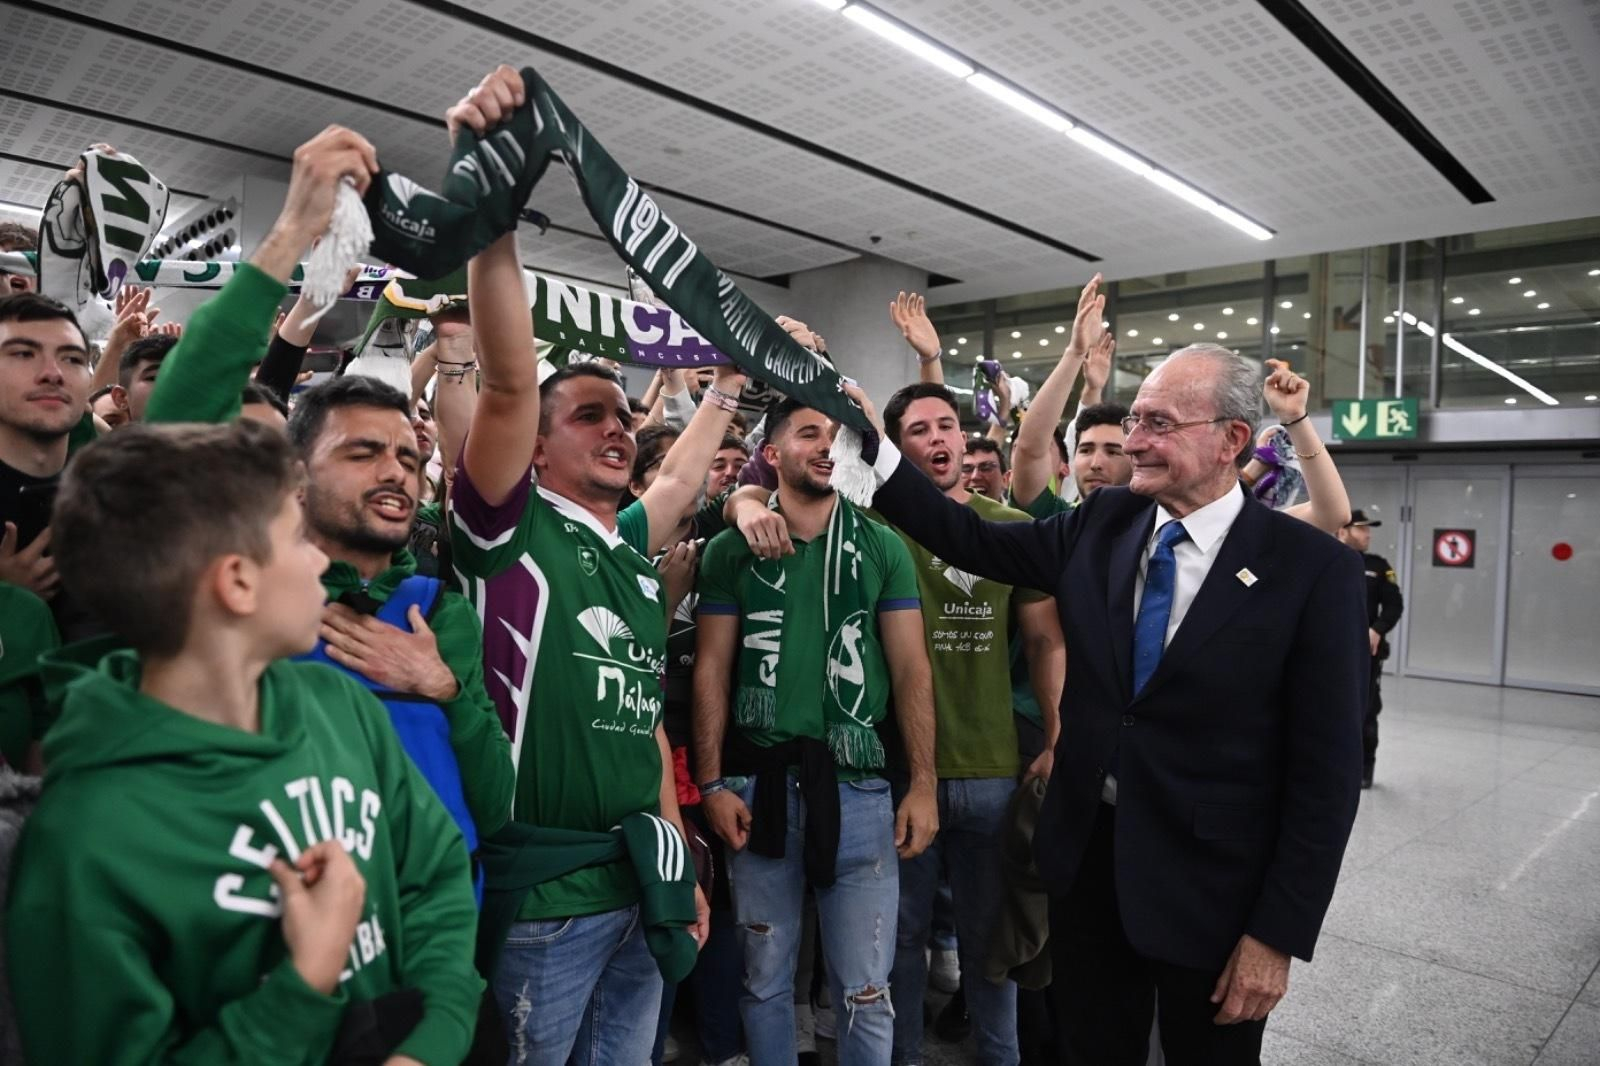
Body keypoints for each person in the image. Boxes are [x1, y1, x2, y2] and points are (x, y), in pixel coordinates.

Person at [852, 341, 1367, 1065]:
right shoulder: (1104, 524)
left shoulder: (1312, 572)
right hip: (1089, 866)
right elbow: (967, 538)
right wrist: (874, 445)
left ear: (1232, 441)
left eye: (1159, 424)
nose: (1134, 441)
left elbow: (1327, 775)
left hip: (1214, 890)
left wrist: (1276, 935)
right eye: (1135, 419)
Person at [7, 417, 481, 1065]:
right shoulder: (83, 844)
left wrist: (430, 1039)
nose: (320, 556)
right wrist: (303, 983)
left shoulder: (338, 705)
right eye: (296, 535)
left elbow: (436, 878)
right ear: (237, 582)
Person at [444, 64, 731, 1066]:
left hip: (639, 884)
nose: (617, 428)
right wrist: (493, 213)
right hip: (547, 903)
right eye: (589, 416)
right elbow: (513, 375)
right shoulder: (504, 532)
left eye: (623, 415)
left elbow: (680, 480)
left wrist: (679, 861)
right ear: (530, 442)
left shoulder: (626, 555)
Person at [694, 395, 940, 1066]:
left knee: (865, 989)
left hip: (860, 793)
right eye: (809, 433)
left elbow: (912, 669)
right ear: (770, 455)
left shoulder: (880, 543)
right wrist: (712, 781)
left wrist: (922, 783)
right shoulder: (728, 550)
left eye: (835, 434)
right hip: (759, 790)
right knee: (764, 981)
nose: (826, 444)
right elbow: (712, 670)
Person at [287, 374, 515, 890]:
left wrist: (445, 691)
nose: (395, 473)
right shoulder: (248, 600)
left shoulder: (441, 613)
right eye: (362, 453)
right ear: (294, 478)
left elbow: (495, 805)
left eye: (410, 461)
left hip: (434, 938)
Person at [1337, 511, 1403, 789]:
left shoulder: (1378, 566)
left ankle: (1365, 768)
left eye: (1368, 530)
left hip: (1366, 654)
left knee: (1365, 711)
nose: (1368, 534)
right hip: (1328, 651)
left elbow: (1393, 605)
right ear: (1343, 530)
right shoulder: (1324, 560)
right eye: (1362, 529)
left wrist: (1377, 629)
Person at [960, 436, 1009, 502]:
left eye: (986, 468)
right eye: (966, 469)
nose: (975, 476)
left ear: (1004, 480)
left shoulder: (1018, 512)